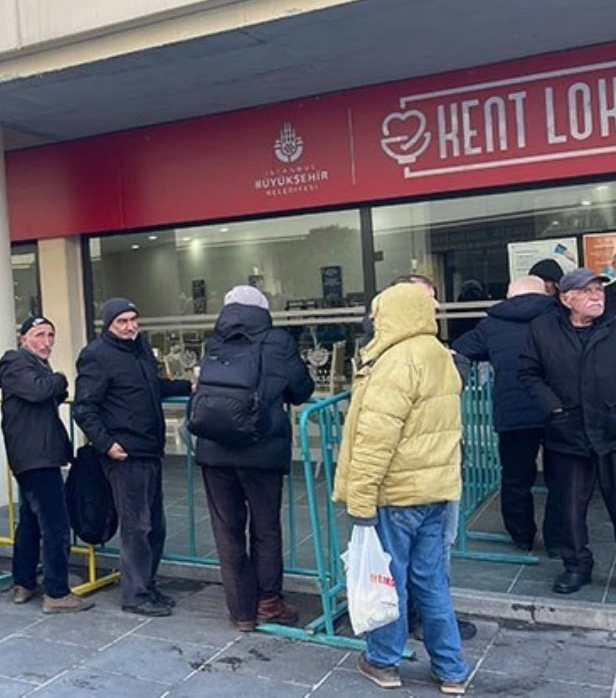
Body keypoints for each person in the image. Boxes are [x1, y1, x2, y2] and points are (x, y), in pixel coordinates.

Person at [334, 284, 469, 693]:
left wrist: (361, 500)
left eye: (377, 312)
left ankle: (383, 662)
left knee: (388, 580)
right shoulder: (440, 355)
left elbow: (376, 440)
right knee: (432, 582)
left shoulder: (395, 361)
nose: (373, 320)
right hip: (436, 490)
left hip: (396, 494)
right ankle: (451, 670)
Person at [193, 287, 314, 631]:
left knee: (226, 530)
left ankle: (241, 611)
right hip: (261, 450)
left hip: (214, 449)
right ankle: (268, 602)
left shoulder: (214, 342)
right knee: (265, 527)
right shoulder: (278, 341)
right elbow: (301, 389)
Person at [520, 267, 616, 597]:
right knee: (570, 507)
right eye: (587, 291)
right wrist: (555, 410)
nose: (596, 296)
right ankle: (576, 566)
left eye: (599, 290)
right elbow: (529, 373)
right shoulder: (543, 329)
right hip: (568, 432)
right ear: (566, 299)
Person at [73, 298, 191, 617]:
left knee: (155, 527)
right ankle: (136, 594)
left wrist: (188, 385)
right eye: (122, 321)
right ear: (109, 324)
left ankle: (147, 586)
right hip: (125, 454)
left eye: (132, 319)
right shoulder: (97, 355)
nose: (129, 326)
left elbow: (152, 387)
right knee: (137, 527)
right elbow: (84, 407)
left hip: (149, 449)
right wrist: (106, 444)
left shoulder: (140, 350)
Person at [452, 275, 562, 554]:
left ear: (509, 295)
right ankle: (558, 539)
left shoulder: (493, 324)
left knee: (515, 478)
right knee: (562, 478)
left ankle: (522, 536)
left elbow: (462, 348)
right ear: (545, 293)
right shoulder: (560, 317)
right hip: (558, 408)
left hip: (513, 411)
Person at [0, 315, 93, 614]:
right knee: (55, 523)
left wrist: (53, 384)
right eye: (39, 335)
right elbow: (40, 391)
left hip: (37, 453)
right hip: (35, 455)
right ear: (23, 339)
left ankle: (23, 581)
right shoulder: (17, 364)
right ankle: (57, 592)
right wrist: (59, 379)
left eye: (50, 335)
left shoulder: (31, 366)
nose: (46, 342)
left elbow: (47, 393)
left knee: (32, 519)